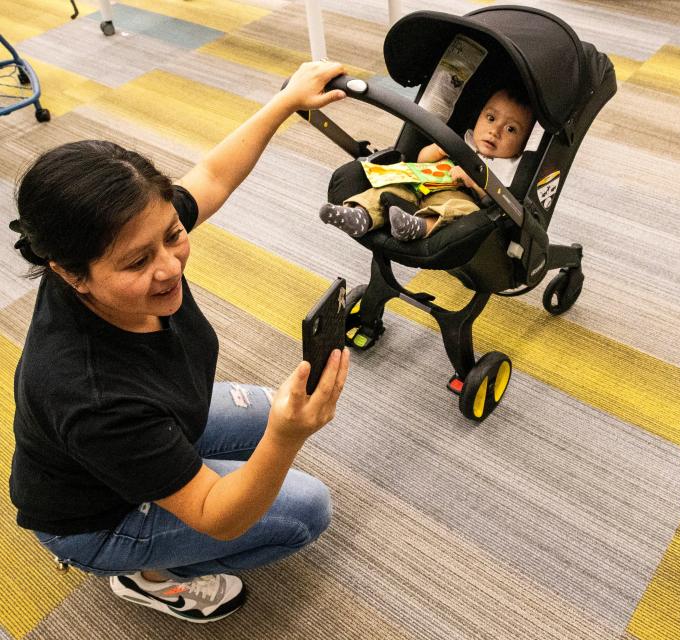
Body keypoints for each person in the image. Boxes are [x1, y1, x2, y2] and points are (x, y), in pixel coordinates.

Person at [7, 60, 351, 624]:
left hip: (148, 422)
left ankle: (175, 482)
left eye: (173, 236)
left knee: (266, 411)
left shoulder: (119, 240)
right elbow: (218, 517)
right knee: (306, 510)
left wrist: (287, 100)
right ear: (69, 273)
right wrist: (289, 437)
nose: (170, 268)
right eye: (139, 261)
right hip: (96, 517)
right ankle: (146, 577)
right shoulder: (93, 397)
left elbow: (213, 177)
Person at [318, 84, 534, 241]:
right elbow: (421, 160)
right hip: (421, 184)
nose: (494, 131)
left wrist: (474, 181)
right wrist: (437, 149)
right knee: (393, 185)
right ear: (479, 117)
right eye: (490, 118)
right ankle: (360, 214)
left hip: (456, 198)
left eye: (510, 129)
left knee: (463, 212)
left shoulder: (508, 168)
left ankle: (419, 227)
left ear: (523, 143)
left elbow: (497, 202)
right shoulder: (462, 141)